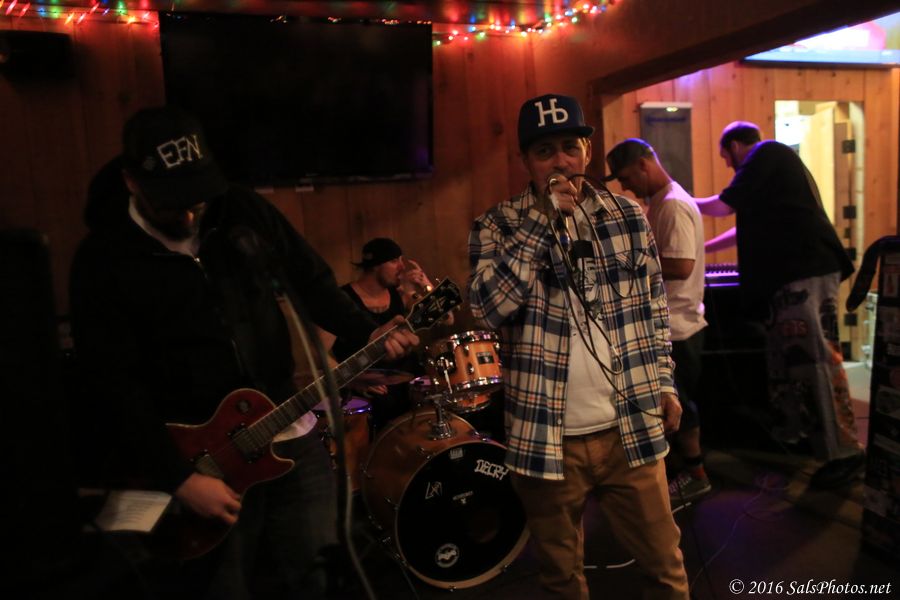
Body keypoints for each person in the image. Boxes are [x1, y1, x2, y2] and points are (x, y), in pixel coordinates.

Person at [69, 106, 418, 599]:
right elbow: (112, 382)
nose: (188, 215)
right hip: (200, 459)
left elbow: (312, 281)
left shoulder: (241, 211)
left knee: (319, 574)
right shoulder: (103, 260)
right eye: (173, 203)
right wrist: (179, 477)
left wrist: (367, 331)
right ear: (131, 183)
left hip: (286, 426)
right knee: (224, 587)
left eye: (197, 199)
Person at [468, 94, 689, 599]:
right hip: (546, 435)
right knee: (561, 579)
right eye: (545, 151)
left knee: (665, 569)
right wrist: (539, 226)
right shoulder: (498, 225)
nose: (561, 161)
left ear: (588, 151)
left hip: (629, 427)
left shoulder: (627, 216)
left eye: (571, 146)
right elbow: (486, 309)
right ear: (526, 160)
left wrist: (665, 383)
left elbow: (654, 308)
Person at [696, 121, 863, 489]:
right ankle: (807, 441)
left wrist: (682, 201)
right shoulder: (768, 170)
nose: (728, 165)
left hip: (804, 270)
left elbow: (722, 206)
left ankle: (844, 452)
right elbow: (741, 227)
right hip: (794, 274)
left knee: (814, 360)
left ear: (735, 146)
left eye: (726, 158)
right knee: (793, 363)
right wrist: (704, 247)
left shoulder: (765, 152)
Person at [605, 138, 711, 508]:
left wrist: (625, 264)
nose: (626, 186)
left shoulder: (673, 205)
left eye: (625, 177)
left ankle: (696, 477)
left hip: (678, 327)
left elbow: (681, 266)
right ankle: (678, 474)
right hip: (676, 324)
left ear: (643, 164)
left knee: (680, 405)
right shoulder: (666, 201)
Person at [329, 237, 446, 428]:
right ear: (375, 265)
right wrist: (352, 381)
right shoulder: (342, 301)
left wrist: (426, 285)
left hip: (404, 381)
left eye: (401, 260)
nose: (402, 267)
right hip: (365, 389)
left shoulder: (399, 294)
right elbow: (319, 354)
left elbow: (446, 318)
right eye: (394, 261)